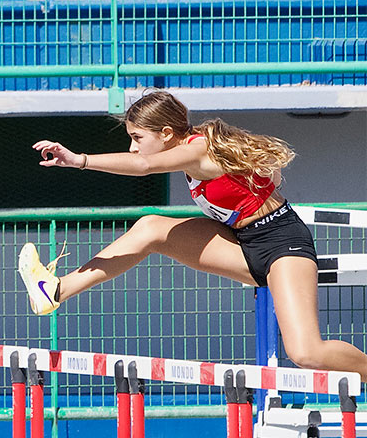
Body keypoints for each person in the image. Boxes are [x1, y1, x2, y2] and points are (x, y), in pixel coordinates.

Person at [19, 90, 367, 382]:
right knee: (150, 227)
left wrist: (78, 159)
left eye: (138, 138)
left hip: (281, 243)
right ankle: (55, 290)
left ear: (167, 133)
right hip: (241, 242)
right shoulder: (200, 149)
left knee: (307, 353)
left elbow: (143, 167)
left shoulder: (199, 148)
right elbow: (268, 178)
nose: (133, 147)